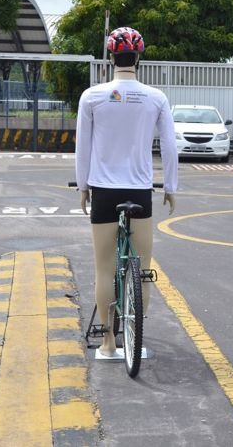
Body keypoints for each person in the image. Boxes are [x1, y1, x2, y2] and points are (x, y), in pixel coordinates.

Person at [75, 26, 178, 357]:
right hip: (140, 191)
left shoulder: (92, 96)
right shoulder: (155, 97)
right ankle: (135, 340)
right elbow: (170, 146)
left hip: (104, 191)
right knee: (143, 271)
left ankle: (107, 343)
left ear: (111, 57)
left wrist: (83, 186)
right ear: (138, 58)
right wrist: (171, 187)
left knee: (104, 269)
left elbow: (82, 147)